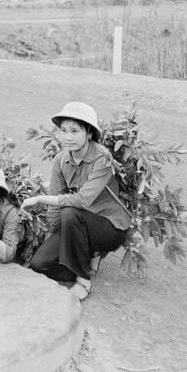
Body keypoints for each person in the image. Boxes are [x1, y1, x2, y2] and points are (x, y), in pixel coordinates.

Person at [23, 101, 132, 301]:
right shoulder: (60, 160)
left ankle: (83, 279)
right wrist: (55, 238)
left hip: (109, 225)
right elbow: (54, 208)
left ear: (89, 133)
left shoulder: (102, 157)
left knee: (69, 212)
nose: (68, 137)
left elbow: (82, 200)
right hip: (78, 224)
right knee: (39, 264)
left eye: (75, 131)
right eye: (63, 130)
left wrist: (39, 198)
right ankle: (87, 257)